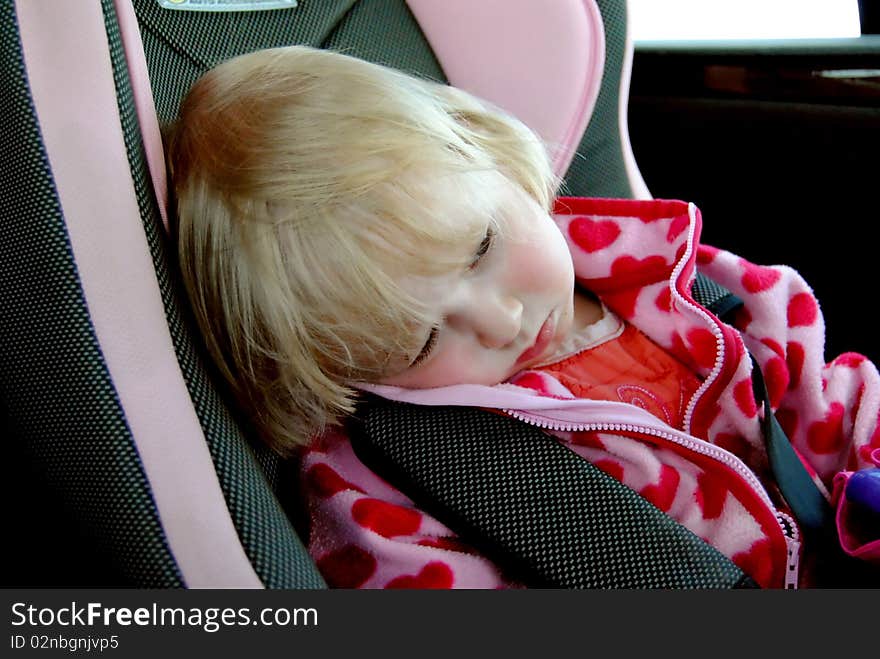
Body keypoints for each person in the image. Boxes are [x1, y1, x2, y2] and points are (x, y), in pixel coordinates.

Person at [165, 45, 880, 589]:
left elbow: (824, 404)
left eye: (480, 247)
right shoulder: (394, 483)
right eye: (420, 340)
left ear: (491, 152)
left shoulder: (687, 285)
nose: (501, 321)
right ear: (333, 369)